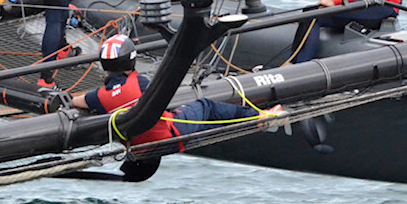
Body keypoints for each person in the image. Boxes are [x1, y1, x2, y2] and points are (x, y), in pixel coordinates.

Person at [72, 34, 272, 148]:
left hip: (141, 147)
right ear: (131, 60)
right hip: (170, 136)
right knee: (206, 106)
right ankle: (257, 117)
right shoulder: (140, 83)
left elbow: (78, 101)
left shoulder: (99, 97)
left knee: (201, 124)